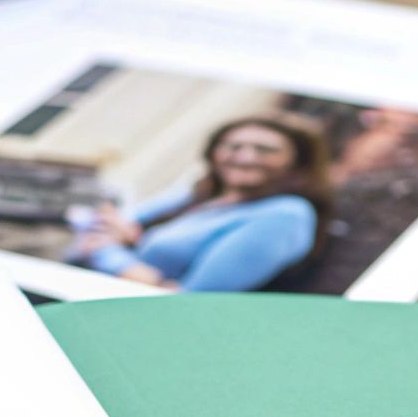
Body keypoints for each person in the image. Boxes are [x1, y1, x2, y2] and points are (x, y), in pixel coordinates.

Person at [77, 113, 334, 292]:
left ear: (297, 162)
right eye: (233, 147)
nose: (245, 157)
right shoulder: (201, 193)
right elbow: (108, 222)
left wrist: (109, 253)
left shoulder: (285, 215)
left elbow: (187, 301)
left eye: (265, 150)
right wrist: (128, 257)